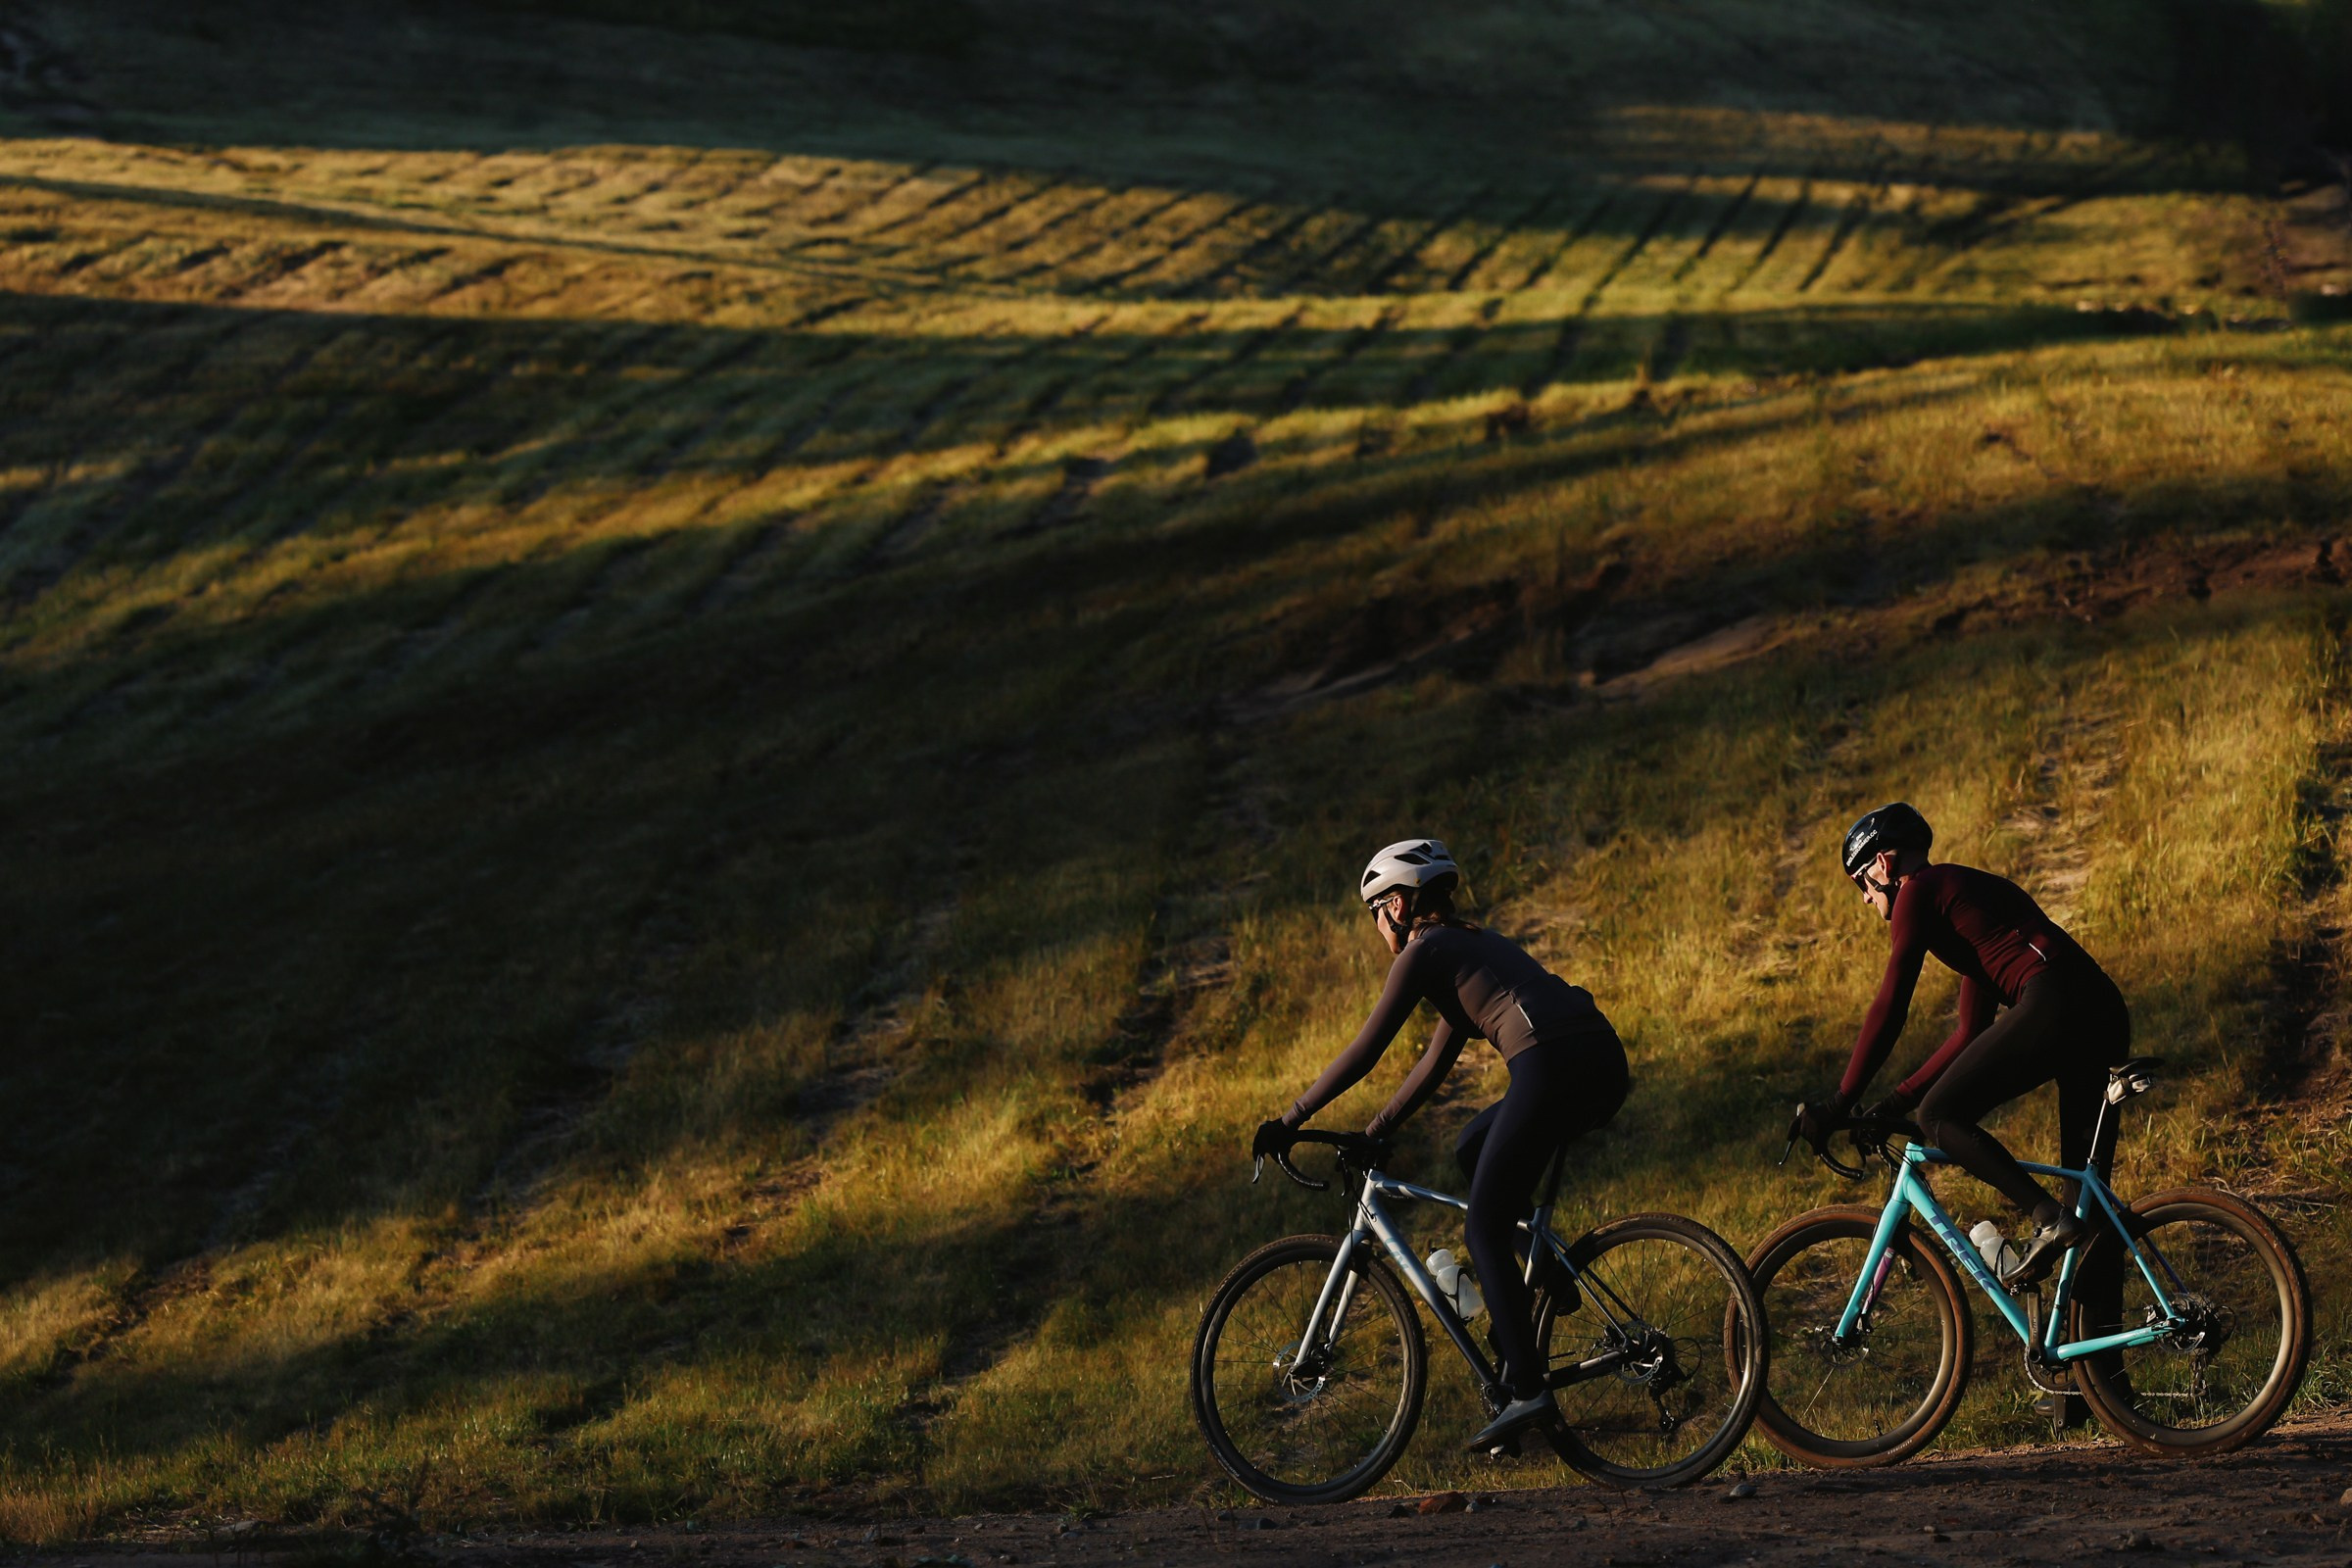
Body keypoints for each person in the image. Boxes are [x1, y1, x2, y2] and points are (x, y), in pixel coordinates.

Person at [1252, 838, 1630, 1453]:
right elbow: (1431, 1067)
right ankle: (1548, 1271)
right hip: (1596, 1057)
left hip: (1551, 1061)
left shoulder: (1424, 952)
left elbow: (1366, 1050)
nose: (1378, 927)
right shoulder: (1467, 948)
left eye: (1375, 912)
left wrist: (1290, 1119)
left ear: (1397, 905)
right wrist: (1374, 1133)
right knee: (1472, 1149)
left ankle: (1528, 1390)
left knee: (1480, 1229)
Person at [1799, 802, 2132, 1290]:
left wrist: (1839, 1102)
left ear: (1883, 866)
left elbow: (1891, 1007)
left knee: (1940, 1116)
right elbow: (1970, 1032)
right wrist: (1893, 1102)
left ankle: (2044, 1218)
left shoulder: (1919, 895)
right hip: (2099, 1008)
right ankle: (2101, 1361)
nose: (1865, 900)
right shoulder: (1961, 902)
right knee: (2087, 1202)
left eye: (1859, 883)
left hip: (2058, 1000)